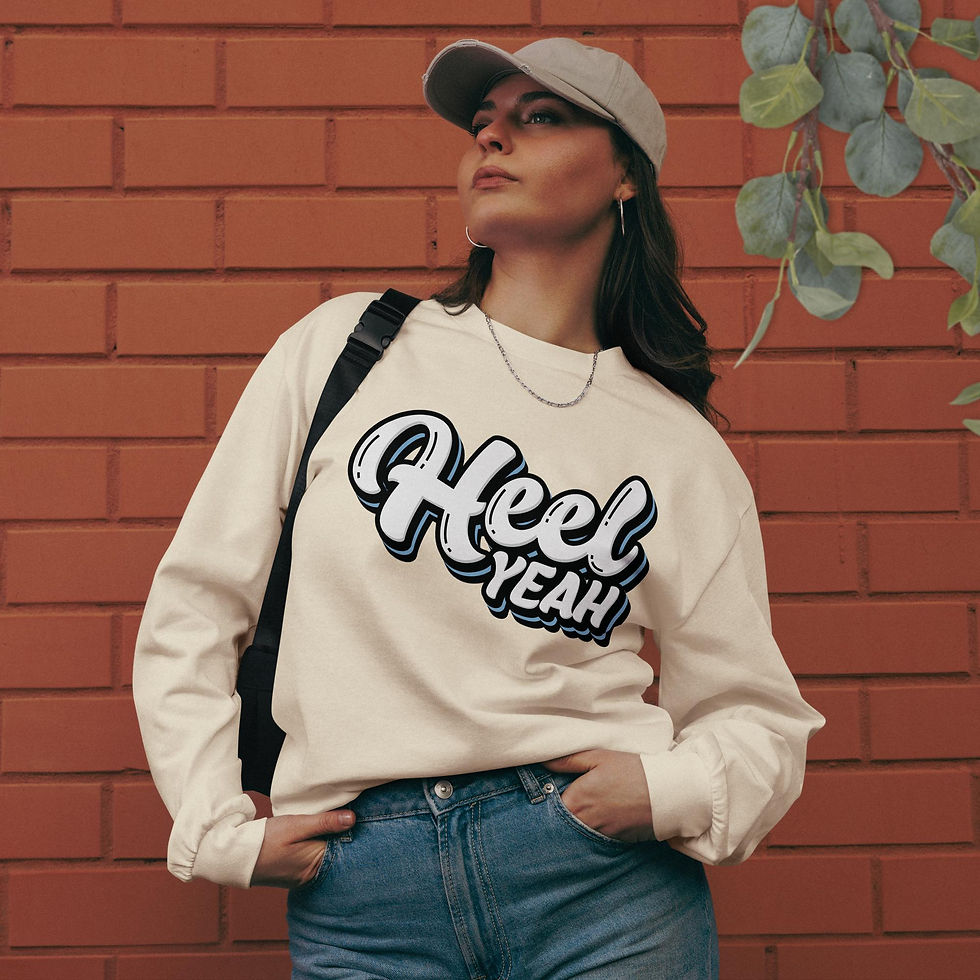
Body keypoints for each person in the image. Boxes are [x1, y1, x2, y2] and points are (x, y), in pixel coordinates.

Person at [133, 37, 824, 979]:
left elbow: (756, 713)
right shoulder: (348, 350)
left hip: (598, 887)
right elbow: (197, 603)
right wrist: (215, 830)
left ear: (625, 171)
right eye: (482, 123)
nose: (493, 136)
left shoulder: (676, 449)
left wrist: (664, 790)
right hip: (361, 893)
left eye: (539, 117)